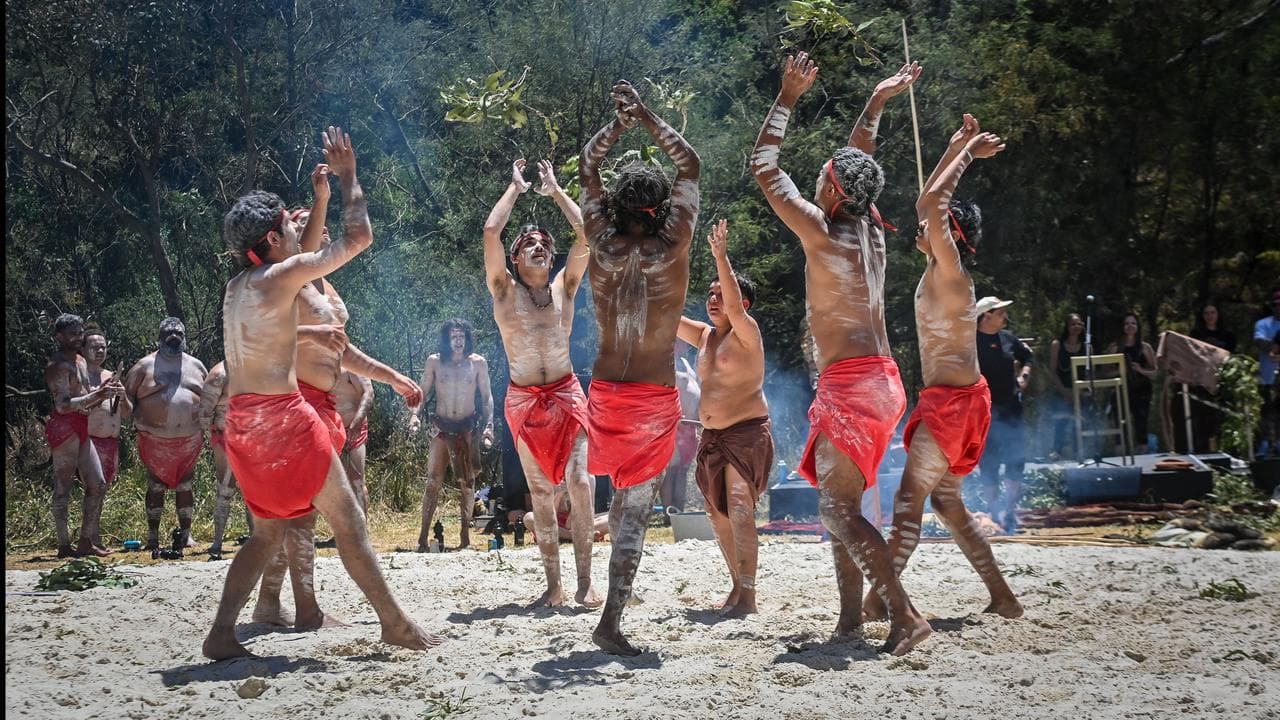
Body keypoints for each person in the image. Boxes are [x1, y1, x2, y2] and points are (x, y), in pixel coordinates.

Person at [203, 126, 438, 660]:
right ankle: (396, 624)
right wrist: (350, 175)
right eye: (288, 225)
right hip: (284, 419)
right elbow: (357, 240)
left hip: (243, 420)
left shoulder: (240, 286)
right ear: (270, 242)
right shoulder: (276, 280)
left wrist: (319, 197)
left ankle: (222, 633)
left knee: (265, 535)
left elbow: (304, 267)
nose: (294, 229)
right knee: (350, 522)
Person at [751, 52, 930, 656]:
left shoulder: (821, 231)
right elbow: (861, 161)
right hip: (881, 380)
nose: (822, 176)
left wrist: (787, 98)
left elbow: (763, 167)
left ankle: (904, 615)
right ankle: (851, 621)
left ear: (829, 188)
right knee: (842, 504)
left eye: (824, 174)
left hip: (854, 383)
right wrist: (877, 99)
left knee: (835, 507)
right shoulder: (871, 223)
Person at [863, 113, 1022, 622]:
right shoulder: (943, 268)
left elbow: (932, 205)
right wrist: (956, 145)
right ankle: (1003, 597)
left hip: (953, 404)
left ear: (949, 235)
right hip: (956, 400)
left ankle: (877, 601)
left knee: (909, 503)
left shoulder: (952, 272)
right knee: (947, 502)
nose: (920, 228)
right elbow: (925, 204)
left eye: (934, 228)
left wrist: (968, 156)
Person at [252, 168, 423, 623]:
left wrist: (392, 378)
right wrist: (324, 195)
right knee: (303, 512)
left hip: (324, 403)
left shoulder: (324, 286)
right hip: (297, 401)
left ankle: (276, 604)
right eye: (304, 223)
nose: (316, 230)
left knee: (294, 512)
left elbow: (341, 348)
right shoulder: (289, 279)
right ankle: (299, 606)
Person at [579, 79, 700, 655]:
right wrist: (648, 116)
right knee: (633, 512)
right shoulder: (673, 245)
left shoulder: (598, 241)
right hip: (653, 399)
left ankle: (607, 617)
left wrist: (618, 126)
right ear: (659, 211)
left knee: (618, 499)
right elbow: (691, 166)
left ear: (616, 205)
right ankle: (610, 620)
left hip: (604, 392)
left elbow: (586, 164)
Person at [481, 156, 600, 607]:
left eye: (544, 244)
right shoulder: (503, 290)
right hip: (524, 399)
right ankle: (554, 586)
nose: (539, 248)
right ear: (515, 257)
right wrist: (515, 187)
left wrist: (555, 191)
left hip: (567, 394)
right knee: (541, 493)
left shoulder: (564, 287)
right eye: (529, 243)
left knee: (581, 484)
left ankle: (586, 583)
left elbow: (586, 232)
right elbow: (492, 232)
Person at [676, 219, 773, 618]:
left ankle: (748, 595)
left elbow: (733, 306)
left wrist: (720, 256)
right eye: (710, 295)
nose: (713, 300)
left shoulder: (747, 332)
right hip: (711, 438)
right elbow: (667, 318)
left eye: (721, 294)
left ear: (742, 303)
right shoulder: (704, 336)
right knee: (717, 516)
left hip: (746, 434)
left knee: (738, 504)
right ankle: (737, 585)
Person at [123, 317, 208, 552]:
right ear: (159, 338)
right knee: (156, 485)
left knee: (186, 485)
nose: (174, 336)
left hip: (190, 439)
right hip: (154, 439)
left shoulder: (197, 366)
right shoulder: (143, 367)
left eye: (179, 333)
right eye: (169, 333)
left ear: (185, 337)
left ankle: (187, 536)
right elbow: (127, 400)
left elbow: (210, 398)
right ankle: (153, 537)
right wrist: (132, 415)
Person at [408, 318, 494, 550]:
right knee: (433, 482)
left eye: (461, 336)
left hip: (467, 428)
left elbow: (487, 397)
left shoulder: (478, 364)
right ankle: (423, 538)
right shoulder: (435, 362)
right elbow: (422, 393)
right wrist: (415, 415)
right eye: (453, 336)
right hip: (442, 428)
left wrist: (489, 426)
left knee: (467, 483)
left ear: (467, 339)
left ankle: (465, 537)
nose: (457, 341)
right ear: (447, 339)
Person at [44, 313, 118, 558]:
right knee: (63, 488)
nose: (77, 338)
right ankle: (64, 545)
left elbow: (85, 397)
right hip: (65, 429)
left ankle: (86, 540)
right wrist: (97, 396)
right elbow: (62, 405)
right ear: (59, 337)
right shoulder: (58, 366)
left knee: (97, 483)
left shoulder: (81, 361)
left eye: (79, 333)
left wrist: (102, 395)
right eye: (72, 334)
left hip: (82, 426)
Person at [974, 296, 1034, 530]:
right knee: (989, 463)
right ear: (986, 316)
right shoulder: (970, 342)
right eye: (1000, 313)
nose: (1005, 317)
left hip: (1011, 409)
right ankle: (994, 512)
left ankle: (1010, 511)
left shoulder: (1008, 339)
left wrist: (1024, 376)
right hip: (984, 413)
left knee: (1016, 459)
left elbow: (1027, 356)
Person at [81, 326, 133, 549]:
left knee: (101, 491)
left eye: (103, 347)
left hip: (111, 441)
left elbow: (129, 414)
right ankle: (86, 538)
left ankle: (94, 536)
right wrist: (100, 393)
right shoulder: (80, 376)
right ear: (83, 349)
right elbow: (77, 408)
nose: (99, 351)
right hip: (89, 441)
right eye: (94, 347)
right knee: (93, 488)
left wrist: (122, 397)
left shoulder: (111, 376)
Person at [198, 360, 252, 560]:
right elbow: (204, 413)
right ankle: (217, 543)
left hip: (254, 441)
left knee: (253, 492)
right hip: (226, 438)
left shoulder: (259, 368)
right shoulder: (220, 374)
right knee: (225, 489)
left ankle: (257, 541)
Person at [1183, 301, 1238, 452]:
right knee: (1203, 419)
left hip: (1222, 381)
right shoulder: (1196, 334)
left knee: (1222, 417)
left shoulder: (1228, 335)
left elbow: (1232, 356)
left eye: (1212, 312)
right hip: (1202, 382)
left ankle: (1225, 450)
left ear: (1218, 314)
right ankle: (1203, 451)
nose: (1210, 316)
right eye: (1206, 313)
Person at [1106, 312, 1158, 452]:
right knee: (1119, 425)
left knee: (1141, 425)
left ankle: (1143, 457)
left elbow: (1155, 373)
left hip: (1141, 390)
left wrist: (1141, 370)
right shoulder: (1115, 347)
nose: (1130, 326)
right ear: (1122, 327)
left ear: (1138, 327)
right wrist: (1120, 370)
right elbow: (1105, 373)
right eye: (1127, 323)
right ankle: (1120, 458)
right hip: (1120, 390)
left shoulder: (1145, 347)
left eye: (1133, 323)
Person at [660, 346, 701, 516]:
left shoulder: (685, 363)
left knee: (683, 470)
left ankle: (679, 512)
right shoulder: (665, 361)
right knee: (670, 470)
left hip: (691, 427)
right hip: (675, 426)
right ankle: (669, 515)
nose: (684, 344)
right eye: (680, 341)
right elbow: (662, 392)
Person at [334, 369, 375, 516]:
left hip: (354, 430)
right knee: (339, 485)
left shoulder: (352, 365)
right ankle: (345, 533)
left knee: (357, 480)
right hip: (333, 431)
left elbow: (368, 393)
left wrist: (357, 421)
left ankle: (361, 532)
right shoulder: (322, 365)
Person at [1047, 313, 1086, 458]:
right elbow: (1052, 369)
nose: (1076, 327)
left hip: (1079, 391)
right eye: (1073, 324)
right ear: (1067, 326)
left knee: (1079, 421)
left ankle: (1079, 452)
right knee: (1061, 421)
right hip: (1061, 389)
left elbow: (1089, 373)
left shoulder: (1087, 347)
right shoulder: (1057, 345)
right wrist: (1064, 391)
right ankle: (1057, 451)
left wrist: (1079, 391)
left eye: (1078, 324)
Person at [1255, 290, 1280, 456]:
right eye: (1276, 305)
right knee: (1266, 413)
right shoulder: (1263, 324)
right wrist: (1276, 345)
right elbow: (1259, 341)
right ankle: (1264, 444)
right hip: (1267, 376)